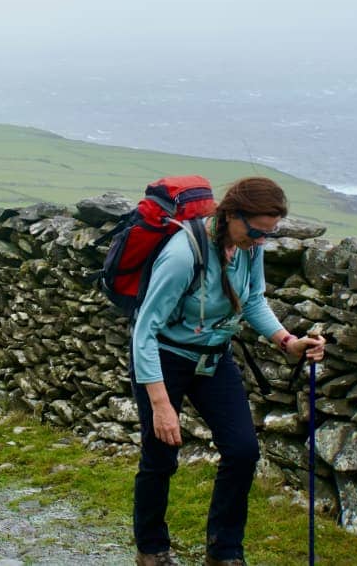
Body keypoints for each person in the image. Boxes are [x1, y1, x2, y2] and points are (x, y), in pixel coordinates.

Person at [130, 177, 325, 566]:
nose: (260, 240)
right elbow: (144, 331)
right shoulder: (183, 255)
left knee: (242, 450)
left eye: (268, 234)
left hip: (214, 357)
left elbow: (252, 300)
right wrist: (161, 405)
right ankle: (151, 550)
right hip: (164, 357)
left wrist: (287, 341)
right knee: (161, 455)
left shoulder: (251, 248)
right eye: (256, 231)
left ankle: (224, 552)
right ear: (232, 215)